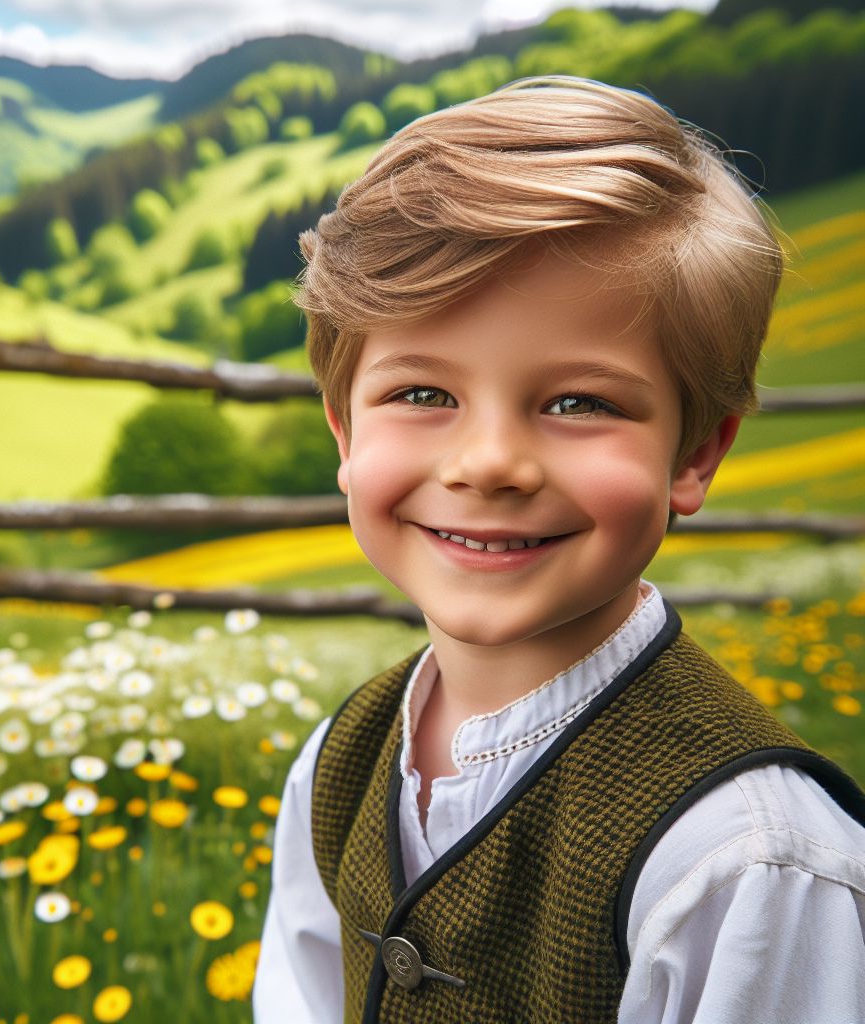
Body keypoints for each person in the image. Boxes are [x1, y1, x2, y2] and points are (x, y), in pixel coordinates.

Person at [252, 77, 865, 1023]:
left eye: (581, 402)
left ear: (692, 454)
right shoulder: (339, 762)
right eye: (421, 394)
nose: (490, 463)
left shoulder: (744, 860)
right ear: (343, 433)